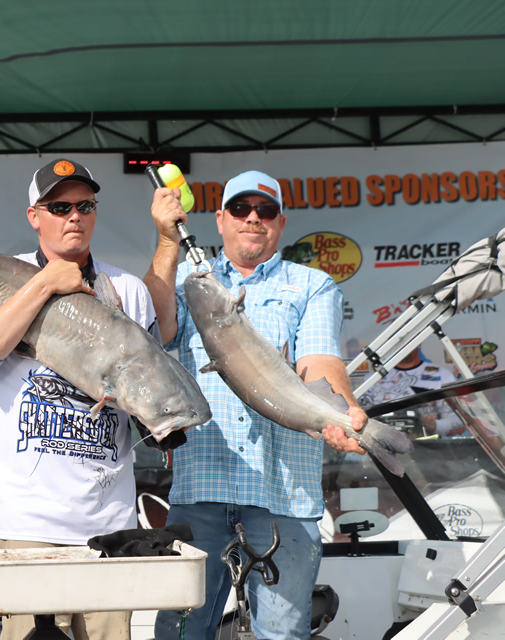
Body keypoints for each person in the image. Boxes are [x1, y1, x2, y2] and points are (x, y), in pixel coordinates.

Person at [144, 170, 366, 640]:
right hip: (201, 487)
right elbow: (157, 329)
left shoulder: (313, 284)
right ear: (221, 219)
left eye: (265, 211)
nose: (253, 219)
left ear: (280, 223)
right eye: (241, 209)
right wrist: (167, 240)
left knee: (283, 636)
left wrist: (341, 410)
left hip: (284, 493)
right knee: (179, 633)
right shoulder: (186, 279)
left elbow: (320, 363)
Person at [0, 158, 160, 640]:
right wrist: (47, 281)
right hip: (27, 522)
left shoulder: (128, 290)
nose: (74, 216)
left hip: (108, 526)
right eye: (59, 206)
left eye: (85, 205)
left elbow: (153, 389)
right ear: (35, 215)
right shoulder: (0, 276)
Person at [360, 348, 464, 437]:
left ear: (418, 341)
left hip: (430, 450)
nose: (403, 344)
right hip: (383, 448)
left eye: (408, 338)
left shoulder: (442, 376)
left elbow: (460, 423)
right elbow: (360, 420)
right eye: (398, 338)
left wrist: (427, 424)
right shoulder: (372, 379)